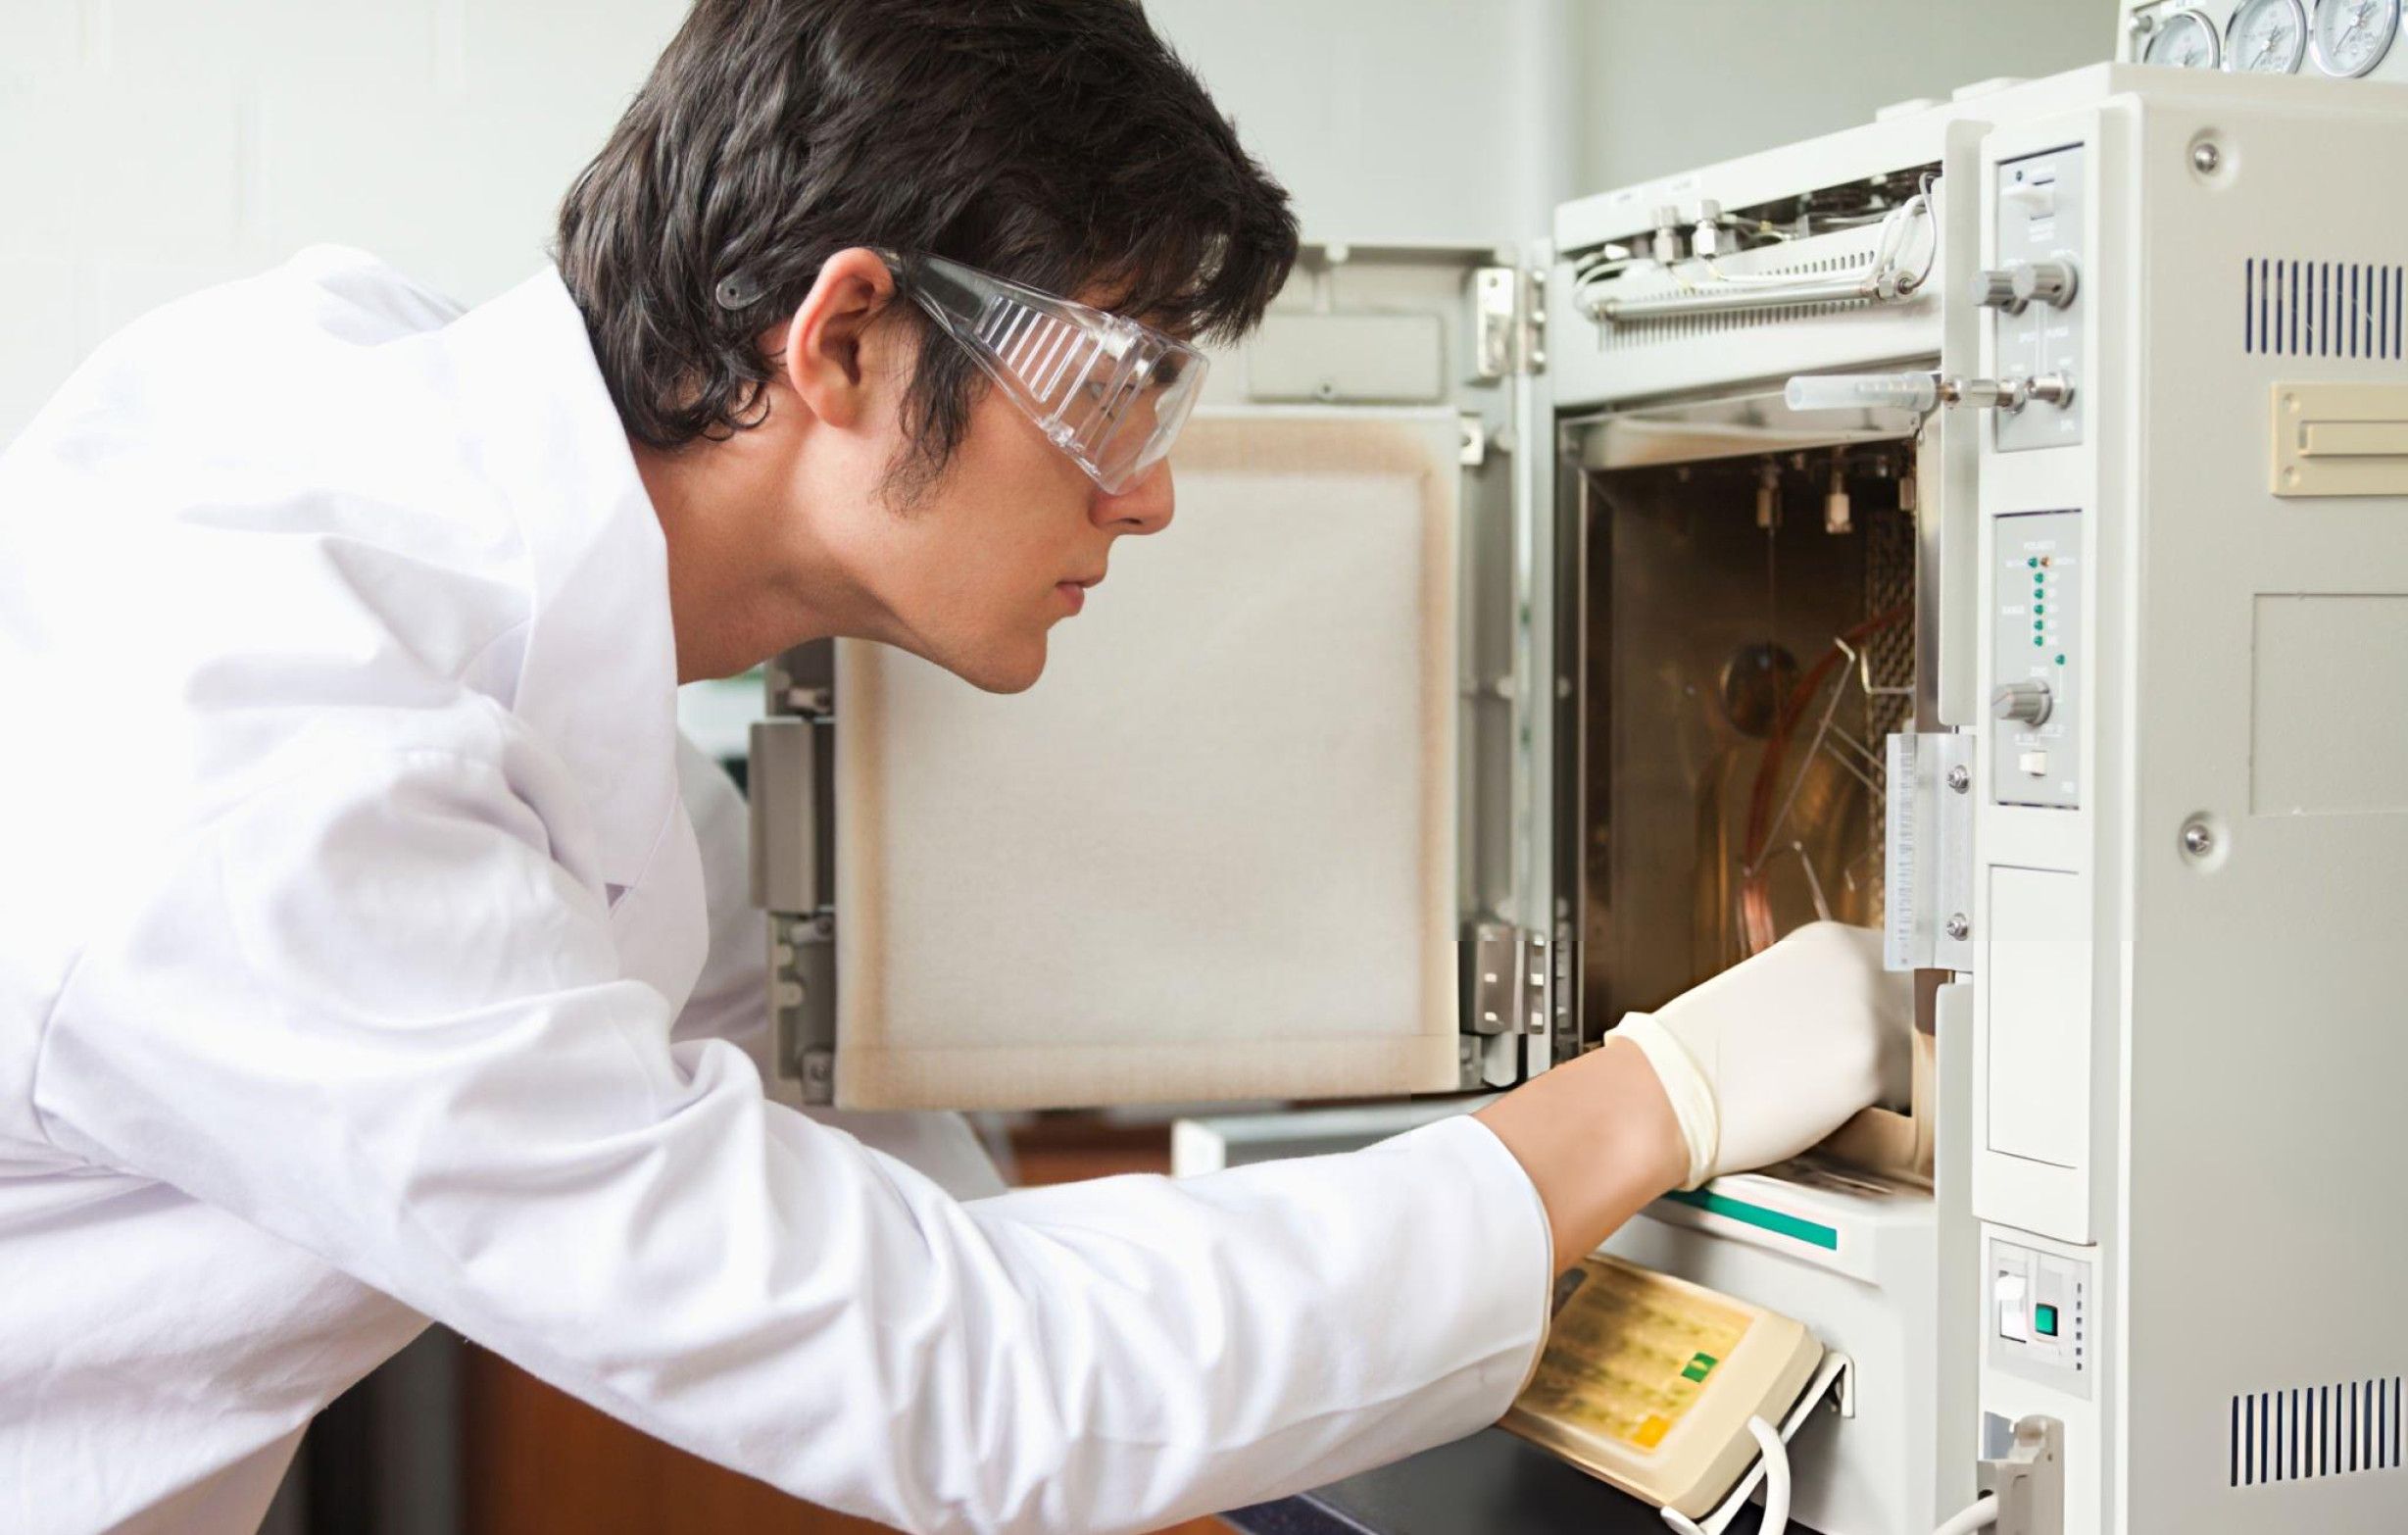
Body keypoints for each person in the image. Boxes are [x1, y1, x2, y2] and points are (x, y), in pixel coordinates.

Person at [0, 2, 1908, 1531]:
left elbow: (880, 1156)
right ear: (842, 340)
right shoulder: (272, 771)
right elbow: (964, 1384)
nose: (1150, 493)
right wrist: (1643, 1103)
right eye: (1111, 387)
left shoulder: (424, 460)